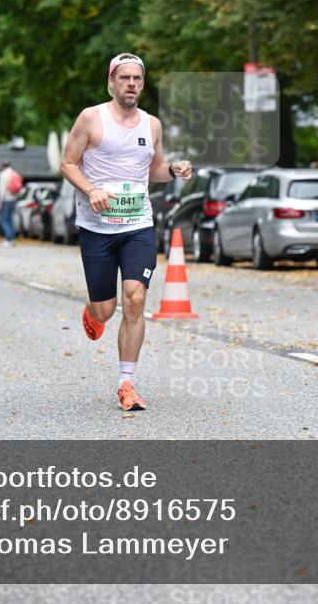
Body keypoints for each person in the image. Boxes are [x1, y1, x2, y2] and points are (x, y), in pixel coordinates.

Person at [60, 53, 192, 411]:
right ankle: (93, 311)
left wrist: (174, 169)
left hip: (138, 225)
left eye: (137, 78)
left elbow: (155, 170)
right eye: (125, 78)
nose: (131, 83)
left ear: (142, 84)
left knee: (135, 298)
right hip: (97, 228)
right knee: (106, 309)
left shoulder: (152, 125)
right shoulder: (91, 118)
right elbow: (67, 163)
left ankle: (127, 384)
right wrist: (91, 190)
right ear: (111, 82)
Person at [0, 159, 21, 246]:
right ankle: (12, 239)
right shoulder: (15, 173)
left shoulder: (3, 174)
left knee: (4, 220)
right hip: (13, 199)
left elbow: (2, 190)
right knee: (10, 219)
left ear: (3, 166)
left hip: (6, 200)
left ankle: (8, 239)